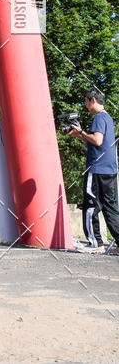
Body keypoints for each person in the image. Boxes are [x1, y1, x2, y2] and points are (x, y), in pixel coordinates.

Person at [69, 88, 119, 251]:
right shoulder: (108, 118)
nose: (86, 105)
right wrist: (80, 135)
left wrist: (82, 131)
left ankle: (95, 243)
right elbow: (99, 144)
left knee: (91, 206)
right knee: (110, 207)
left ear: (93, 100)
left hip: (96, 169)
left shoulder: (98, 118)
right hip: (109, 170)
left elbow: (97, 140)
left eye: (86, 101)